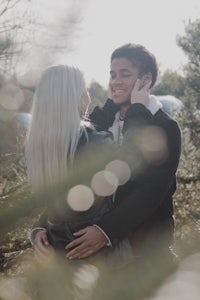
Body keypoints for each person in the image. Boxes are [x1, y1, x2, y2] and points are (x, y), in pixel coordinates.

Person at [64, 44, 182, 268]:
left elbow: (150, 191)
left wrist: (105, 231)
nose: (115, 81)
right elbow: (70, 178)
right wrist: (43, 224)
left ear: (145, 79)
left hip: (146, 255)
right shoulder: (100, 122)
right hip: (97, 259)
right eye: (112, 74)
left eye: (124, 74)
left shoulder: (165, 127)